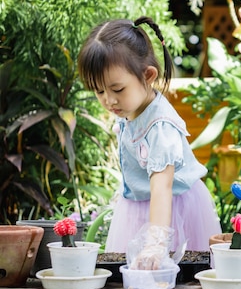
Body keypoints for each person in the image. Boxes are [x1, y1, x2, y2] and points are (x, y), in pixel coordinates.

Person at [77, 16, 222, 269]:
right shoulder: (129, 110)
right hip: (140, 205)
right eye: (99, 91)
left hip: (171, 209)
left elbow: (161, 188)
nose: (109, 100)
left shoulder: (160, 127)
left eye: (117, 89)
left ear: (148, 75)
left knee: (171, 274)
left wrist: (156, 243)